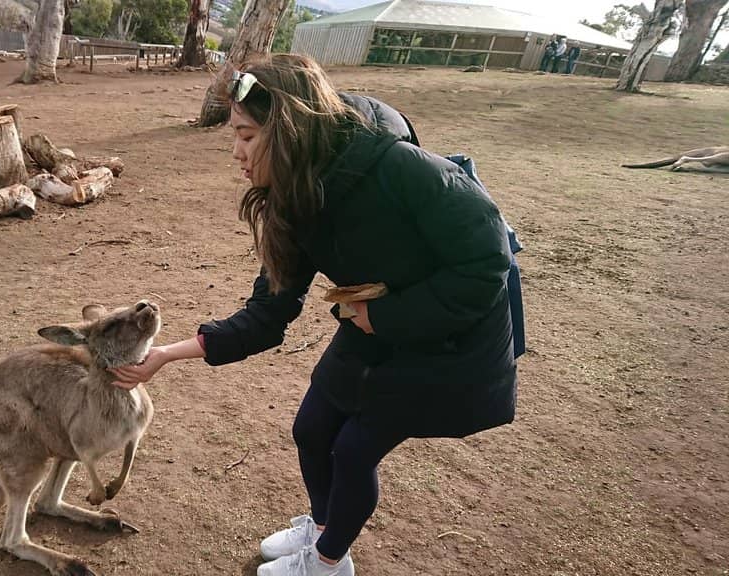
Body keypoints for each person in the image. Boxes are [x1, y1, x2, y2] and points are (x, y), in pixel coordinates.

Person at [111, 53, 518, 576]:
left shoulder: (402, 169)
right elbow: (269, 311)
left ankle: (326, 563)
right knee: (313, 429)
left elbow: (488, 263)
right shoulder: (295, 192)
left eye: (248, 136)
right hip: (372, 319)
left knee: (352, 450)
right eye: (234, 136)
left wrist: (387, 317)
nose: (237, 153)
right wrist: (164, 355)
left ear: (290, 130)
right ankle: (325, 526)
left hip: (450, 336)